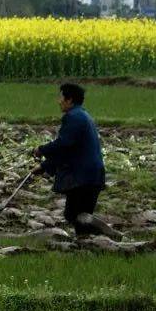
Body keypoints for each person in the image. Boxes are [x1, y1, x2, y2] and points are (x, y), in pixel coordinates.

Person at [33, 83, 117, 237]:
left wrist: (41, 150)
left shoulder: (73, 117)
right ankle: (86, 244)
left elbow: (63, 145)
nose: (59, 101)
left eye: (61, 98)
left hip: (82, 176)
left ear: (69, 100)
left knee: (74, 215)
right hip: (91, 175)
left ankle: (108, 233)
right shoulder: (83, 115)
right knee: (81, 216)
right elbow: (68, 151)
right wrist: (44, 166)